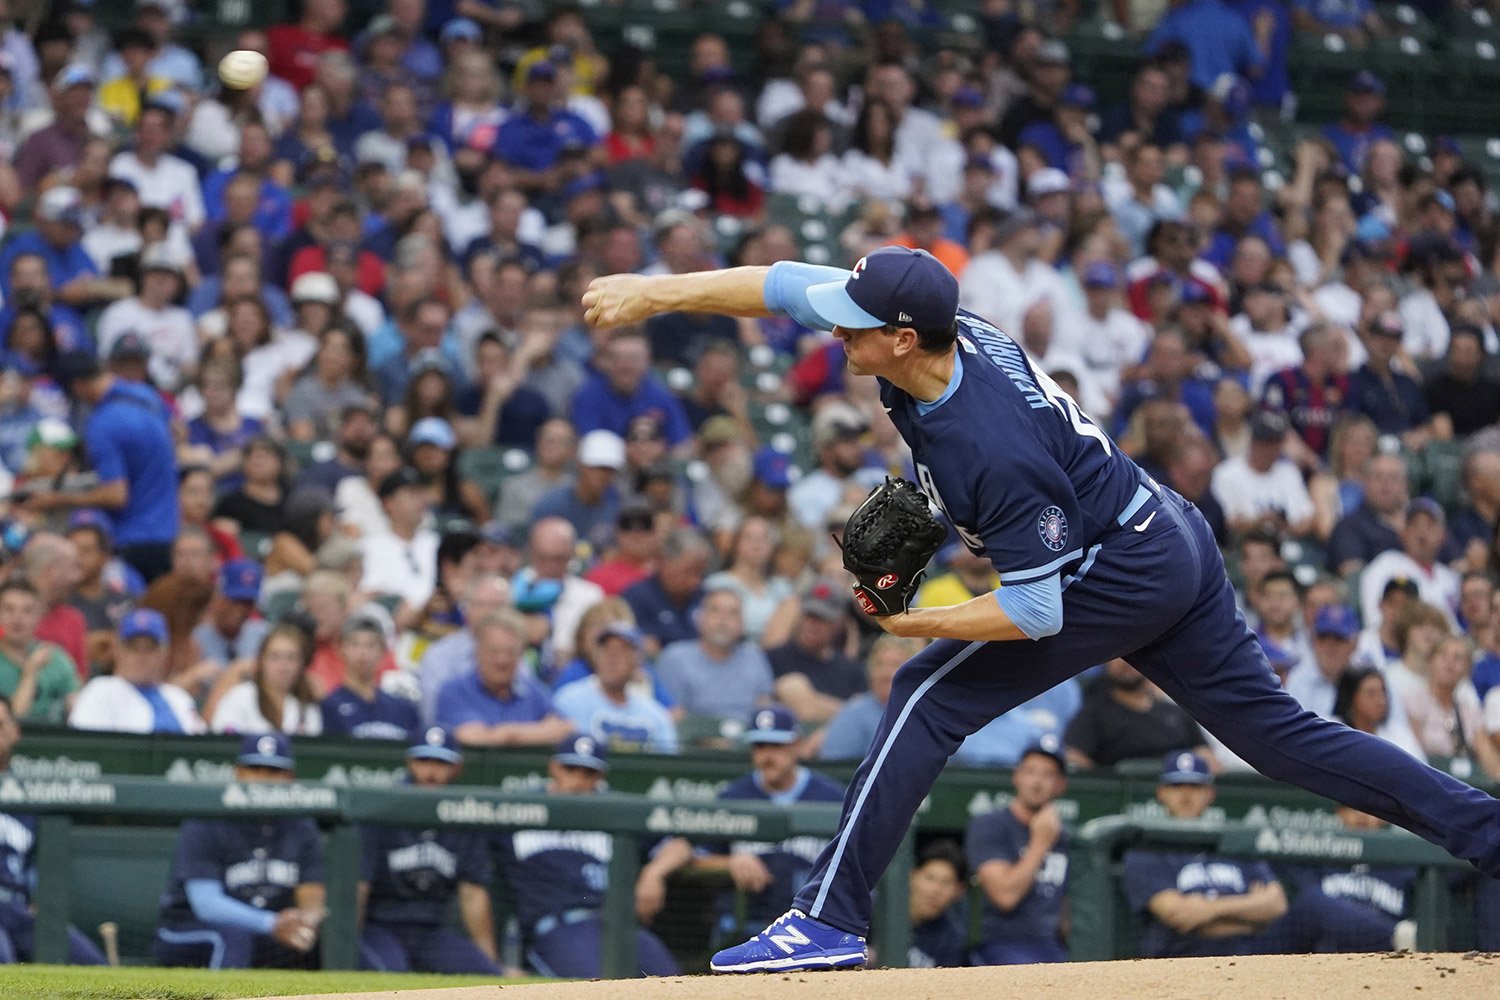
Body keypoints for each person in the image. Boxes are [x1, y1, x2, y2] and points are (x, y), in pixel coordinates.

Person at [580, 244, 1500, 973]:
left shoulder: (991, 447)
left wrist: (918, 625)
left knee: (924, 694)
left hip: (1123, 565)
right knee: (1282, 739)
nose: (837, 335)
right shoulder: (942, 330)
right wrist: (654, 295)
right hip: (1157, 526)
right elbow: (778, 285)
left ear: (903, 339)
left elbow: (1035, 612)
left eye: (857, 329)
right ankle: (1487, 833)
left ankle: (825, 918)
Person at [651, 706, 845, 944]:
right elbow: (692, 850)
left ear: (796, 745)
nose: (767, 755)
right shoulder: (733, 797)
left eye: (776, 746)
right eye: (760, 746)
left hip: (813, 926)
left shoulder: (831, 797)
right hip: (747, 926)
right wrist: (730, 862)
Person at [493, 735, 679, 978]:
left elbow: (680, 842)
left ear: (601, 775)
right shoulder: (519, 808)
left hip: (617, 925)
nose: (578, 780)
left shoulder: (616, 809)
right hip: (557, 927)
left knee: (673, 981)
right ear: (553, 767)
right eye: (570, 769)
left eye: (588, 772)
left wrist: (654, 873)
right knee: (597, 987)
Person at [153, 733, 326, 969]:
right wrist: (272, 923)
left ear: (290, 778)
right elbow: (206, 905)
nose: (263, 779)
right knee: (232, 938)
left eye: (274, 772)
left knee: (312, 943)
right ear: (238, 772)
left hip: (267, 930)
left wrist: (305, 922)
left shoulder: (301, 824)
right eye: (255, 769)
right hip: (189, 927)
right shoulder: (208, 818)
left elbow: (312, 892)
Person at [358, 727, 502, 974]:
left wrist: (493, 963)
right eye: (423, 760)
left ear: (456, 767)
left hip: (430, 931)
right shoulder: (382, 807)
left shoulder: (465, 815)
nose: (431, 771)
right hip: (379, 927)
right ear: (409, 763)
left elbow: (473, 894)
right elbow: (359, 886)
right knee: (389, 977)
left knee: (487, 978)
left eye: (440, 762)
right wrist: (347, 946)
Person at [33, 354, 179, 582]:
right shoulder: (145, 394)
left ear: (78, 386)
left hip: (133, 539)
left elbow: (116, 494)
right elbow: (176, 433)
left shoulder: (103, 424)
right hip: (169, 530)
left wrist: (56, 499)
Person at [0, 695, 108, 966]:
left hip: (17, 909)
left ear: (16, 732)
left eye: (0, 726)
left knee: (93, 966)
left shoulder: (33, 795)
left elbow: (41, 863)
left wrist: (40, 897)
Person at [966, 739, 1071, 965]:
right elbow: (1005, 897)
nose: (1037, 782)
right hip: (1000, 944)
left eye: (1048, 774)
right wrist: (1040, 844)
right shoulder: (990, 825)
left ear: (1061, 784)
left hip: (1052, 946)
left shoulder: (1065, 835)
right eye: (1030, 771)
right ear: (1017, 776)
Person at [434, 610, 572, 748]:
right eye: (494, 651)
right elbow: (470, 737)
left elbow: (566, 729)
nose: (502, 660)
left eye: (510, 652)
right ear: (477, 651)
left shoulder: (532, 691)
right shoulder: (455, 691)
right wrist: (536, 732)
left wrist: (507, 735)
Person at [69, 608, 203, 733]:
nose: (141, 656)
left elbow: (201, 746)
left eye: (150, 648)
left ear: (164, 652)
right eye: (133, 648)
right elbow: (86, 747)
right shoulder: (101, 690)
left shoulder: (178, 697)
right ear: (118, 650)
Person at [654, 586, 775, 722]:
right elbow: (670, 714)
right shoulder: (675, 657)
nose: (723, 620)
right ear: (699, 618)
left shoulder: (754, 656)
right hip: (693, 739)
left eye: (732, 613)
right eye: (715, 610)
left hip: (747, 738)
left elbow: (764, 708)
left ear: (742, 623)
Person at [553, 623, 678, 753]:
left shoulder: (655, 715)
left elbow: (669, 763)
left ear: (637, 661)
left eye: (621, 652)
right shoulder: (569, 700)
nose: (612, 659)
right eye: (606, 649)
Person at [1064, 659, 1210, 768]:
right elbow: (1074, 756)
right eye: (1118, 656)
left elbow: (1207, 756)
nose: (1126, 663)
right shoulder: (1093, 713)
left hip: (1178, 789)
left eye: (1133, 656)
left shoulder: (1176, 712)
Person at [818, 636, 921, 761]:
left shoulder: (928, 712)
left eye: (896, 664)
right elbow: (837, 769)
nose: (886, 673)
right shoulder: (854, 713)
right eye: (879, 664)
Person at [208, 624, 322, 736]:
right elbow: (224, 742)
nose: (283, 665)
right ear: (261, 661)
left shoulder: (307, 708)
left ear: (302, 664)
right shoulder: (240, 696)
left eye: (291, 658)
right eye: (275, 657)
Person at [322, 616, 419, 742]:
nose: (362, 653)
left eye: (371, 645)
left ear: (383, 651)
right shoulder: (330, 705)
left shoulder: (403, 708)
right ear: (341, 649)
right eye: (354, 644)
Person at [0, 579, 78, 724]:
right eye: (9, 609)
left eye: (27, 611)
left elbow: (77, 712)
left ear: (39, 616)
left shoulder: (57, 659)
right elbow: (13, 721)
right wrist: (31, 672)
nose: (17, 618)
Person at [905, 841, 968, 968]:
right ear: (912, 876)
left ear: (958, 891)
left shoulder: (953, 939)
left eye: (945, 883)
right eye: (929, 878)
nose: (935, 890)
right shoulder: (874, 912)